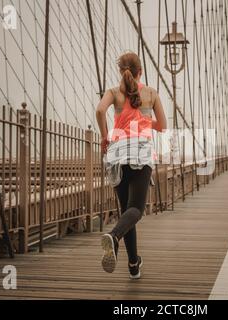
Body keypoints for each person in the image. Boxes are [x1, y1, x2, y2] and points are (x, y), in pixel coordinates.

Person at [95, 52, 167, 280]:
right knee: (136, 209)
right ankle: (114, 236)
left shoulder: (114, 92)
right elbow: (162, 126)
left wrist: (105, 136)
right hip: (140, 154)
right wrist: (145, 121)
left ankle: (134, 265)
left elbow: (99, 111)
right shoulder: (151, 93)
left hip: (116, 154)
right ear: (140, 72)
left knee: (126, 211)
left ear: (121, 72)